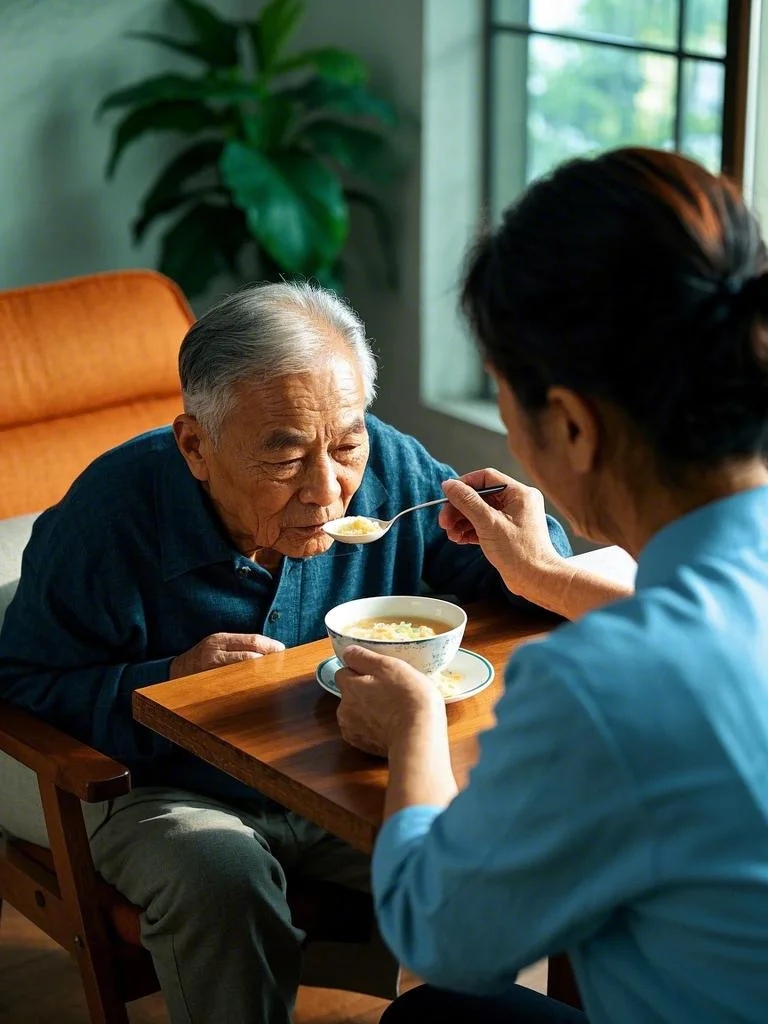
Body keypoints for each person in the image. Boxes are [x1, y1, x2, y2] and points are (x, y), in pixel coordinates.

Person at [0, 281, 598, 1024]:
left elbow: (517, 585)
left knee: (496, 852)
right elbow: (20, 686)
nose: (329, 491)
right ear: (196, 445)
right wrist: (166, 680)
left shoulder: (390, 470)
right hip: (168, 786)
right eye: (283, 459)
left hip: (331, 773)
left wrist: (539, 552)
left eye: (347, 443)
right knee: (220, 876)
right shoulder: (109, 516)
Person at [335, 147, 768, 1024]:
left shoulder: (603, 684)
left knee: (432, 1012)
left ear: (571, 424)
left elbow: (438, 931)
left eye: (502, 396)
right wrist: (548, 577)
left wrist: (416, 723)